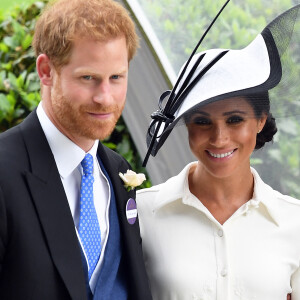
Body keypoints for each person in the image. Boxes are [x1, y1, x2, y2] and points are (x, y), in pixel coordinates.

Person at [137, 3, 300, 300]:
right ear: (186, 125)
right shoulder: (143, 214)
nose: (219, 137)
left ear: (261, 119)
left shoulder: (294, 222)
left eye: (235, 120)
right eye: (202, 122)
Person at [0, 0, 152, 299]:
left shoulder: (119, 172)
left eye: (116, 77)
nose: (105, 98)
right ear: (46, 70)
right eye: (88, 78)